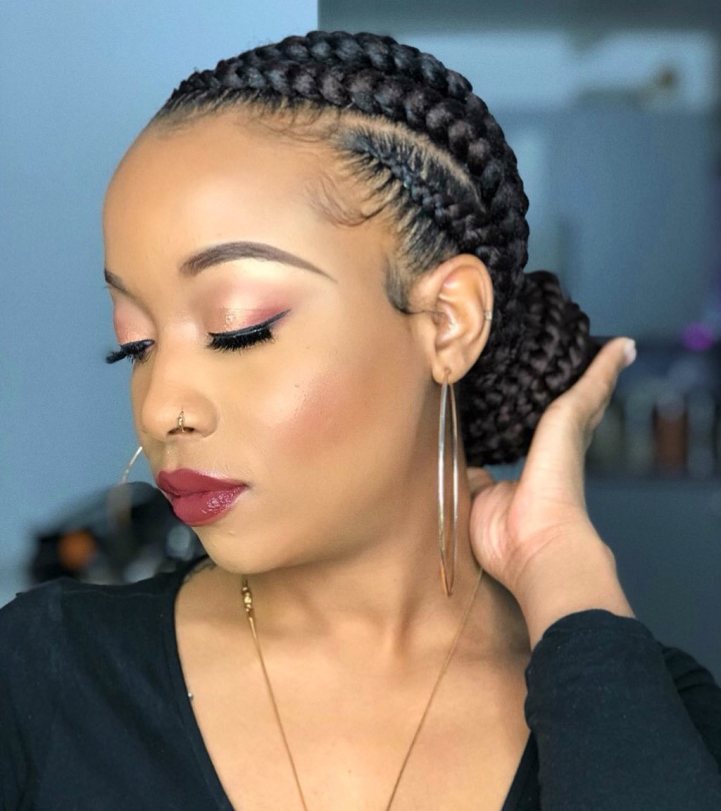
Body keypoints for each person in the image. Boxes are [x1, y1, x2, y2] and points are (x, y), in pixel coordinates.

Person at [1, 29, 720, 811]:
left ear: (446, 321)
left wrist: (564, 574)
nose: (161, 407)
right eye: (134, 344)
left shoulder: (658, 717)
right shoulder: (41, 677)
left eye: (239, 328)